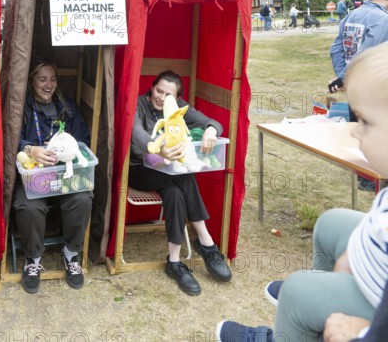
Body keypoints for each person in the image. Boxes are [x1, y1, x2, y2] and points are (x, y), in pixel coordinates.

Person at [216, 41, 388, 342]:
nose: (355, 130)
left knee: (298, 291)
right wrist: (357, 249)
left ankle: (299, 316)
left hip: (376, 311)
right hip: (374, 273)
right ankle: (309, 323)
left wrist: (364, 332)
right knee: (331, 222)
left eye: (365, 121)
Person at [129, 70, 231, 296]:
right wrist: (160, 149)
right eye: (158, 90)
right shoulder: (138, 105)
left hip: (169, 172)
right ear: (152, 87)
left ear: (176, 99)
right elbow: (136, 133)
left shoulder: (178, 109)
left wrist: (211, 130)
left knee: (175, 193)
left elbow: (212, 123)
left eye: (168, 95)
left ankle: (174, 262)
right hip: (139, 171)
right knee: (184, 174)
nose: (161, 97)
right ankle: (207, 243)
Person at [11, 61, 92, 294]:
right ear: (31, 81)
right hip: (34, 175)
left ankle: (71, 254)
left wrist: (66, 147)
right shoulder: (22, 109)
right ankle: (33, 259)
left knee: (83, 199)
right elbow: (10, 140)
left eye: (53, 79)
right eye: (42, 79)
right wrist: (31, 149)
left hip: (64, 174)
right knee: (27, 206)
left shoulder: (68, 108)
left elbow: (83, 141)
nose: (49, 85)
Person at [328, 0, 388, 191]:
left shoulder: (351, 16)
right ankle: (371, 177)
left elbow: (335, 49)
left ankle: (364, 174)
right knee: (374, 128)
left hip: (355, 82)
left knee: (359, 126)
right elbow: (367, 53)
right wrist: (345, 78)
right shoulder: (382, 19)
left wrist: (343, 77)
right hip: (374, 84)